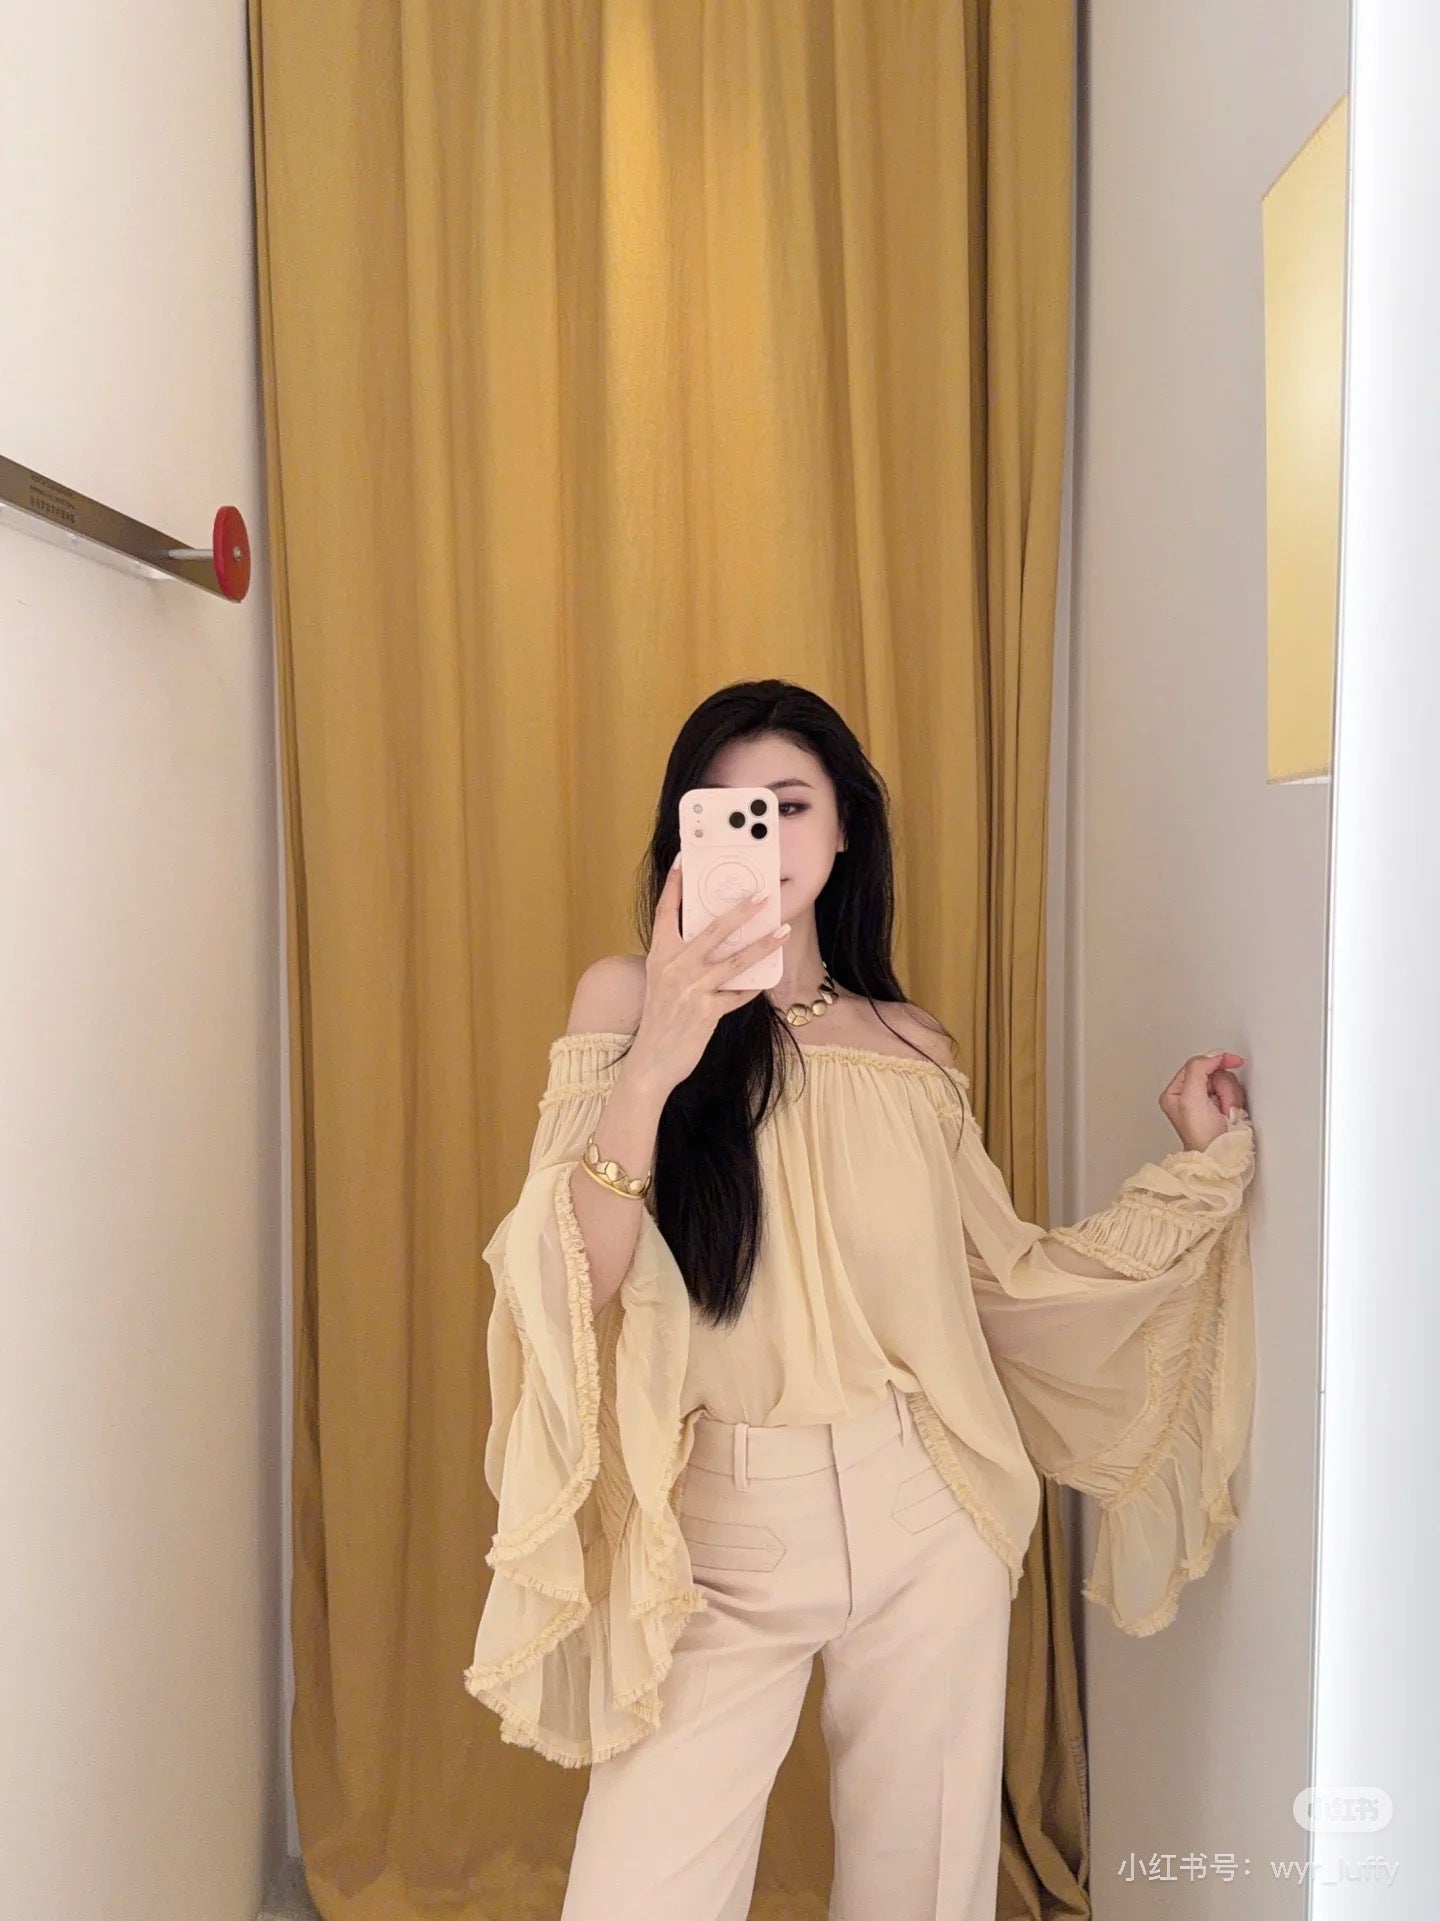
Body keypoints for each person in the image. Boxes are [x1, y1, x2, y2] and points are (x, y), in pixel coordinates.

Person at [463, 679, 1257, 1921]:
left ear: (844, 831)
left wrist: (1191, 1177)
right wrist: (661, 1055)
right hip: (721, 1531)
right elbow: (574, 1276)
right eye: (731, 810)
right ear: (687, 837)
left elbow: (996, 1286)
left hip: (926, 1509)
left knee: (922, 1892)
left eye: (792, 805)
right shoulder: (624, 1002)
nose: (766, 836)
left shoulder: (913, 1047)